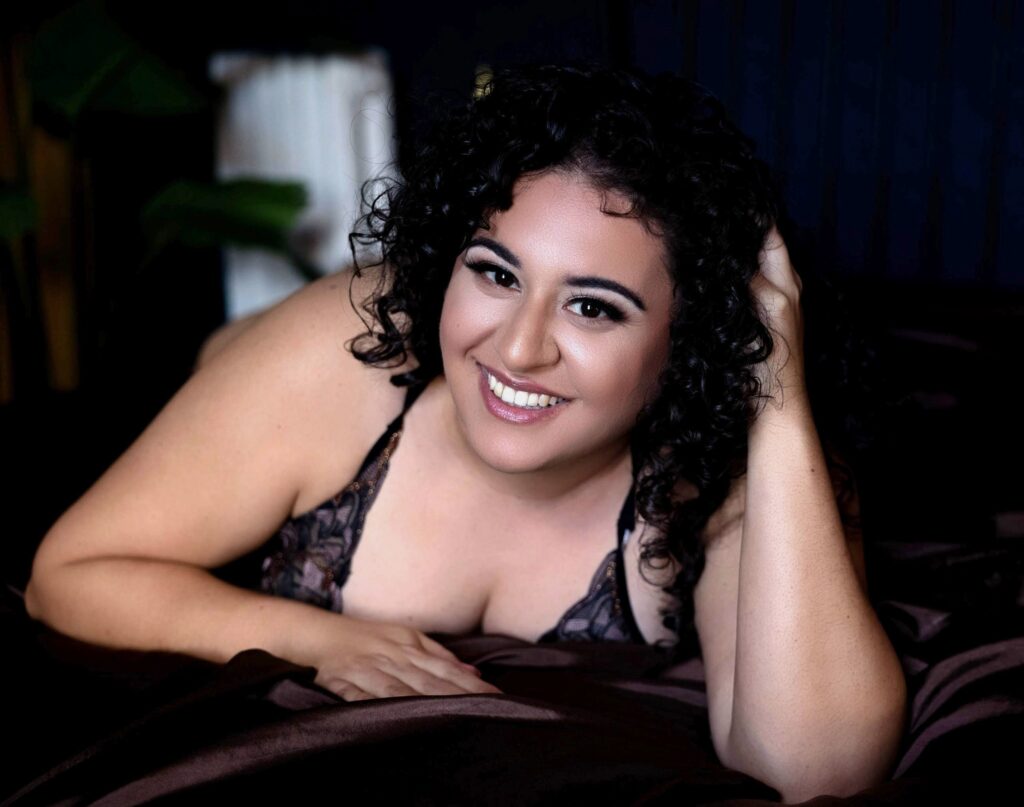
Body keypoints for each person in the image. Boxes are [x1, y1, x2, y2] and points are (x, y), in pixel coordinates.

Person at [24, 64, 906, 801]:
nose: (519, 348)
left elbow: (816, 770)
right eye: (495, 273)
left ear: (689, 340)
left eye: (594, 308)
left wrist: (776, 399)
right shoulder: (342, 357)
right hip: (264, 379)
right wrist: (320, 640)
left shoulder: (726, 463)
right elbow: (70, 573)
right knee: (231, 362)